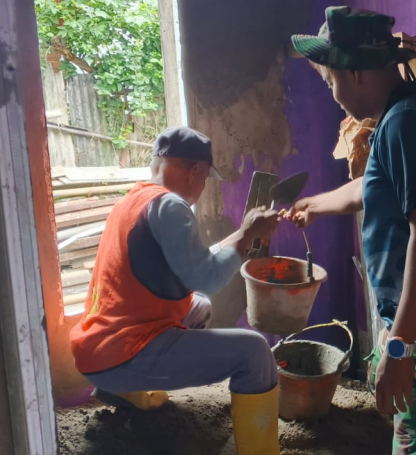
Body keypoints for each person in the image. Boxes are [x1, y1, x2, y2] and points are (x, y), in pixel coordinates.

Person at [288, 7, 416, 454]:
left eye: (331, 82)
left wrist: (400, 347)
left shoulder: (405, 125)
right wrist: (315, 205)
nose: (333, 95)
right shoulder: (398, 117)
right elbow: (374, 184)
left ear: (356, 74)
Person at [69, 126, 282, 455]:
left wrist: (243, 232)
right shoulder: (171, 206)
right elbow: (208, 276)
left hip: (99, 347)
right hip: (123, 357)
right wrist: (245, 238)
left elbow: (197, 265)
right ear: (194, 170)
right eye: (205, 178)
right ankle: (259, 451)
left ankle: (122, 393)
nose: (203, 186)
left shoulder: (134, 200)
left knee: (199, 304)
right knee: (254, 352)